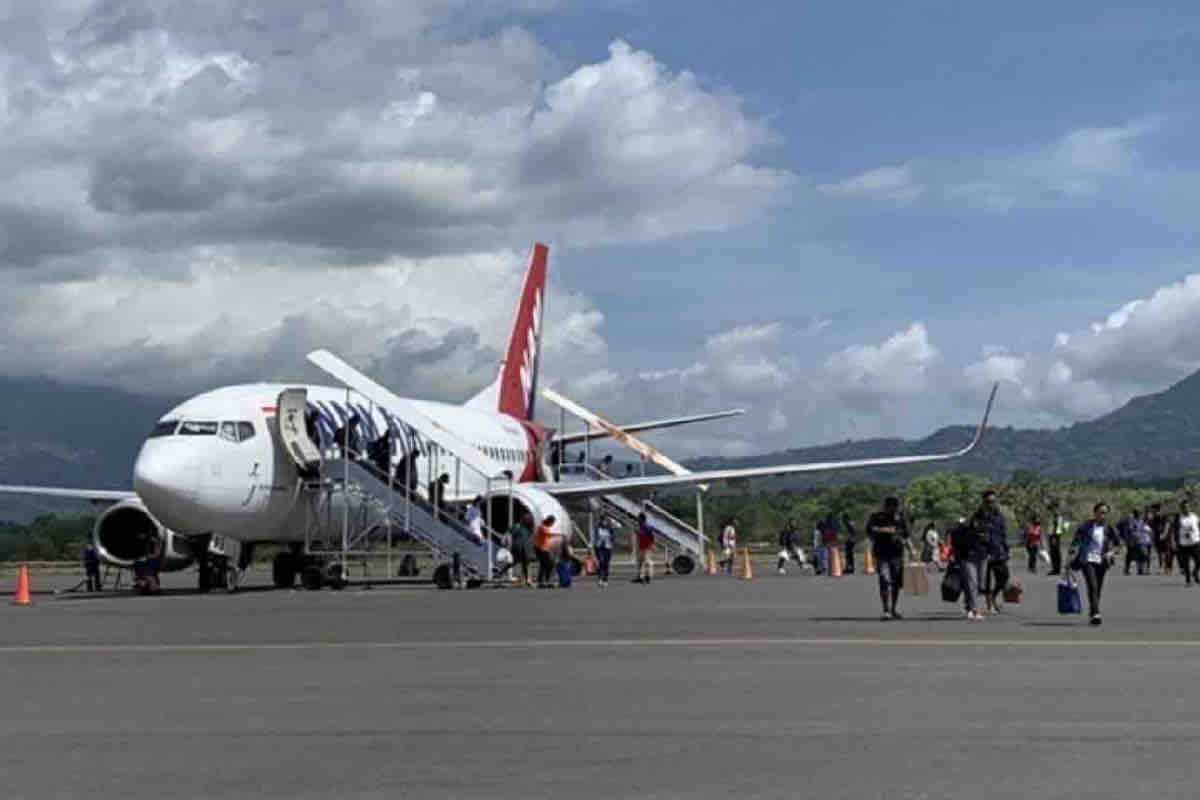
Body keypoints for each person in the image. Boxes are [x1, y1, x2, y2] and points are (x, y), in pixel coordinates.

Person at [1069, 503, 1121, 625]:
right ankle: (1096, 613)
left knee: (1098, 588)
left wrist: (1111, 553)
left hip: (1102, 561)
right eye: (1100, 512)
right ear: (1095, 513)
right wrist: (1070, 557)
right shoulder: (1085, 526)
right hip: (1087, 560)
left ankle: (1093, 610)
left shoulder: (1109, 528)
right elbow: (1075, 542)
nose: (1103, 515)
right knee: (1092, 585)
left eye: (1105, 513)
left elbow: (1118, 544)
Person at [961, 490, 1004, 620]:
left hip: (983, 554)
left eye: (993, 501)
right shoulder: (976, 515)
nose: (992, 504)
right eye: (989, 501)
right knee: (972, 582)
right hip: (968, 554)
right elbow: (965, 530)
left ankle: (969, 605)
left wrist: (997, 551)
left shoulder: (995, 516)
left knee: (979, 583)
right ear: (984, 502)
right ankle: (974, 610)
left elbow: (996, 535)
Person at [867, 497, 909, 620]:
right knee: (884, 579)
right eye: (891, 507)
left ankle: (893, 609)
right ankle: (885, 609)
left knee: (896, 581)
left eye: (896, 507)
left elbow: (906, 533)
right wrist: (882, 530)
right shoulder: (876, 517)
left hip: (897, 553)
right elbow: (869, 530)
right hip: (881, 553)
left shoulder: (900, 517)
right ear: (886, 507)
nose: (894, 509)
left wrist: (898, 532)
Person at [985, 508, 1011, 615]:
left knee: (1004, 577)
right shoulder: (982, 518)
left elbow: (1003, 535)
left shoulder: (1000, 518)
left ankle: (993, 597)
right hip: (986, 553)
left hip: (999, 552)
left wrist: (1006, 550)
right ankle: (989, 603)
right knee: (986, 580)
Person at [1174, 500, 1200, 585]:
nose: (1186, 508)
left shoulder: (1194, 516)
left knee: (1198, 560)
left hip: (1195, 542)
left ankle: (1195, 573)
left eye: (1188, 507)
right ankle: (1188, 580)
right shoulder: (1179, 518)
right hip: (1184, 544)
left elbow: (1198, 526)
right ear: (1181, 508)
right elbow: (1175, 531)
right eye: (1184, 507)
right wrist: (1175, 542)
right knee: (1186, 563)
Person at [508, 513, 534, 587]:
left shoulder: (527, 528)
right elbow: (511, 533)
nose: (527, 520)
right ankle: (500, 573)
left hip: (524, 547)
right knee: (515, 562)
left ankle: (526, 580)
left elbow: (529, 537)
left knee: (525, 563)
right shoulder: (518, 526)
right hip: (518, 547)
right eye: (526, 519)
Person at [534, 515, 558, 588]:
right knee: (546, 564)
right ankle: (542, 581)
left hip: (545, 549)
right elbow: (548, 534)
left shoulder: (546, 527)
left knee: (548, 564)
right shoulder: (542, 527)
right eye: (552, 523)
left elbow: (547, 537)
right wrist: (558, 534)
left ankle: (546, 580)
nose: (552, 525)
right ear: (549, 521)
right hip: (541, 549)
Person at [634, 513, 657, 584]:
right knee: (640, 562)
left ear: (642, 519)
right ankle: (640, 577)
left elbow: (652, 535)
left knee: (647, 562)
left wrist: (653, 544)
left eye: (638, 518)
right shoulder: (640, 526)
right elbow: (640, 535)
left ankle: (648, 576)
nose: (637, 520)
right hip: (641, 546)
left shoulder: (647, 526)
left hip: (647, 547)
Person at [593, 516, 615, 586]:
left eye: (605, 521)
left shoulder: (610, 529)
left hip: (608, 547)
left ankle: (605, 579)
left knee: (606, 564)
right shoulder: (597, 528)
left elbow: (613, 538)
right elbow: (595, 537)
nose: (604, 522)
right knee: (601, 562)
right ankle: (600, 579)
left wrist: (610, 541)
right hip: (599, 547)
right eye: (602, 521)